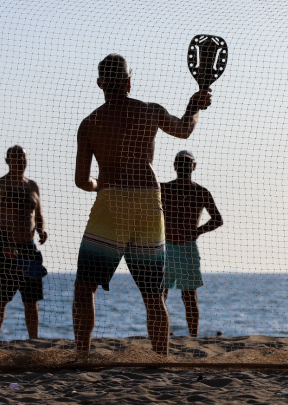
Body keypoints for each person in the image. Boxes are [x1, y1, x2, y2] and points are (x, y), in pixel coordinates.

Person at [73, 54, 211, 357]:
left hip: (112, 202)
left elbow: (82, 181)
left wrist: (100, 183)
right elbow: (185, 128)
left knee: (85, 289)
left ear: (99, 84)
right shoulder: (149, 112)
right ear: (129, 82)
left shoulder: (90, 123)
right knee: (153, 295)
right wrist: (194, 105)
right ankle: (161, 357)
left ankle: (82, 355)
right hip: (149, 201)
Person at [0, 145, 48, 341]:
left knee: (31, 301)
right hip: (4, 251)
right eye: (15, 158)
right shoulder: (0, 185)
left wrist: (41, 230)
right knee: (0, 300)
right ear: (7, 161)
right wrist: (3, 243)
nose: (19, 161)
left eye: (22, 158)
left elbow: (39, 216)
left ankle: (34, 340)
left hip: (29, 250)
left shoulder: (32, 186)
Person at [161, 151, 223, 337]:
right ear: (174, 165)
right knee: (158, 295)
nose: (183, 166)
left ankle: (193, 337)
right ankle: (162, 333)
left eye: (187, 163)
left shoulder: (201, 192)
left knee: (189, 296)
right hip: (165, 248)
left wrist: (197, 231)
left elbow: (217, 219)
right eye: (180, 162)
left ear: (194, 166)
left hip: (188, 249)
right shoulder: (162, 188)